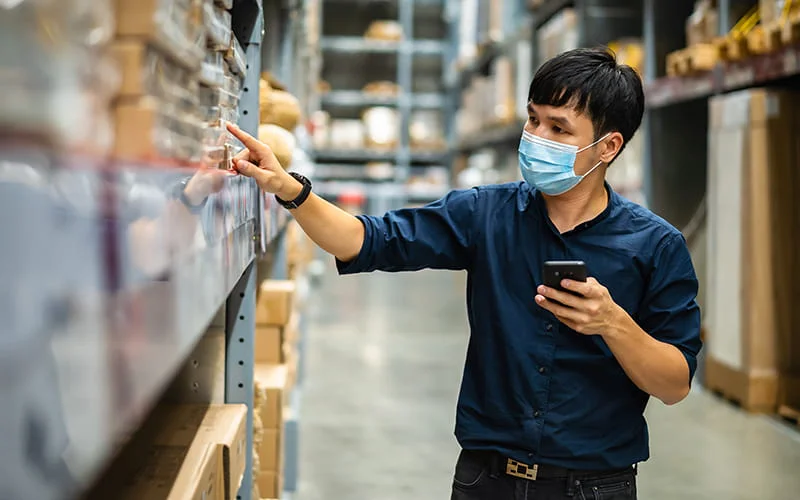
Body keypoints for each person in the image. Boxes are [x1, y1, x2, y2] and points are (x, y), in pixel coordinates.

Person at [227, 47, 702, 500]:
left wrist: (612, 323)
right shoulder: (486, 214)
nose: (536, 138)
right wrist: (287, 188)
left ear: (608, 147)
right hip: (485, 481)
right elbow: (365, 239)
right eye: (533, 119)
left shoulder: (655, 246)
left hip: (595, 487)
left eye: (559, 129)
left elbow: (674, 384)